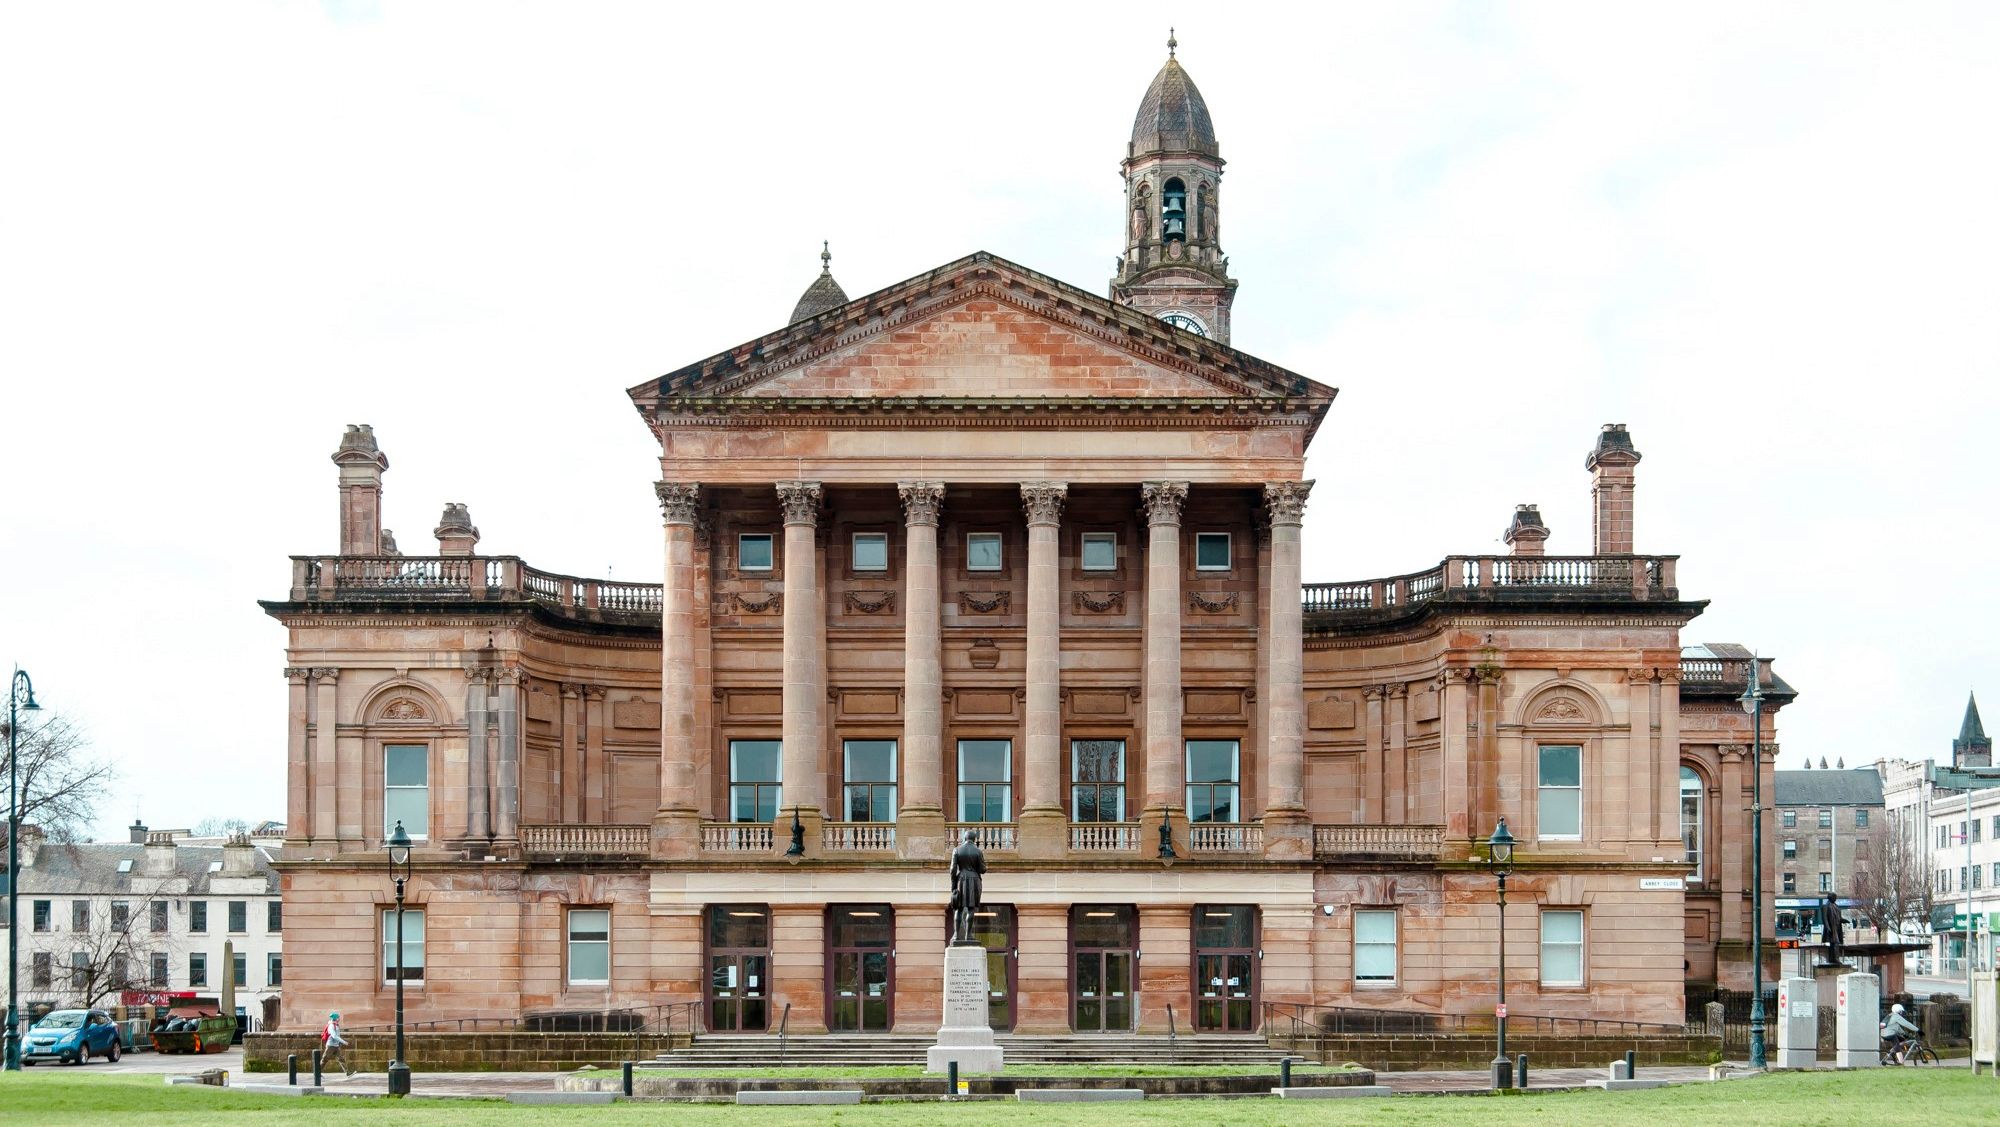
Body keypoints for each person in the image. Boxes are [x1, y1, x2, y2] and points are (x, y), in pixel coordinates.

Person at [320, 1011, 356, 1078]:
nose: (339, 1018)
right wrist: (343, 1042)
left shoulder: (336, 1025)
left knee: (341, 1059)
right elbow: (334, 1036)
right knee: (325, 1059)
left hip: (336, 1046)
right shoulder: (331, 1026)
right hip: (330, 1046)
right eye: (338, 1017)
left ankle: (347, 1073)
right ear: (335, 1018)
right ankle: (317, 1073)